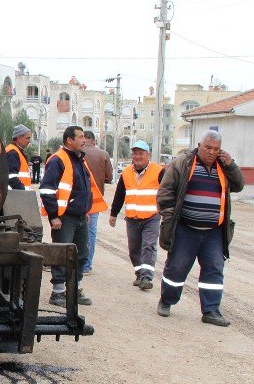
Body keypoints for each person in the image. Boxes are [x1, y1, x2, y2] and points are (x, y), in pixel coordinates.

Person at [155, 130, 244, 326]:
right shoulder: (184, 162)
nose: (212, 152)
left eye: (216, 149)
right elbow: (165, 190)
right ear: (199, 145)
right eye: (208, 148)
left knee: (214, 270)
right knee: (177, 267)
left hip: (213, 232)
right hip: (186, 229)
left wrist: (231, 165)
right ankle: (166, 301)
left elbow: (239, 185)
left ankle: (211, 310)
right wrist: (169, 215)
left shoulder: (223, 166)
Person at [38, 125, 106, 307]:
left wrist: (86, 211)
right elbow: (46, 190)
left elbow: (84, 188)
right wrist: (54, 216)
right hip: (64, 218)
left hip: (80, 217)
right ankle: (58, 293)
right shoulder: (58, 160)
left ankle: (73, 289)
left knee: (81, 254)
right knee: (61, 254)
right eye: (81, 137)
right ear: (69, 140)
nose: (84, 140)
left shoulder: (79, 159)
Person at [108, 140, 163, 290]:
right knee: (134, 249)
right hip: (132, 218)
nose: (137, 156)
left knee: (148, 246)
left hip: (152, 217)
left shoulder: (159, 171)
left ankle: (146, 277)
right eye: (135, 153)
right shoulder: (126, 173)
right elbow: (119, 195)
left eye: (141, 153)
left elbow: (167, 192)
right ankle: (139, 273)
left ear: (148, 155)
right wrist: (113, 214)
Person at [82, 130, 113, 275]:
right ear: (94, 141)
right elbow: (109, 177)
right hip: (95, 200)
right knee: (91, 232)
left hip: (76, 200)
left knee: (75, 231)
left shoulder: (75, 152)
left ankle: (74, 262)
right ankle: (86, 266)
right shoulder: (103, 154)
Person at [4, 124, 33, 189]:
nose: (29, 141)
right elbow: (11, 177)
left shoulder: (15, 151)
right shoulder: (13, 153)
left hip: (17, 194)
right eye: (27, 138)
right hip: (16, 195)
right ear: (19, 138)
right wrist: (23, 190)